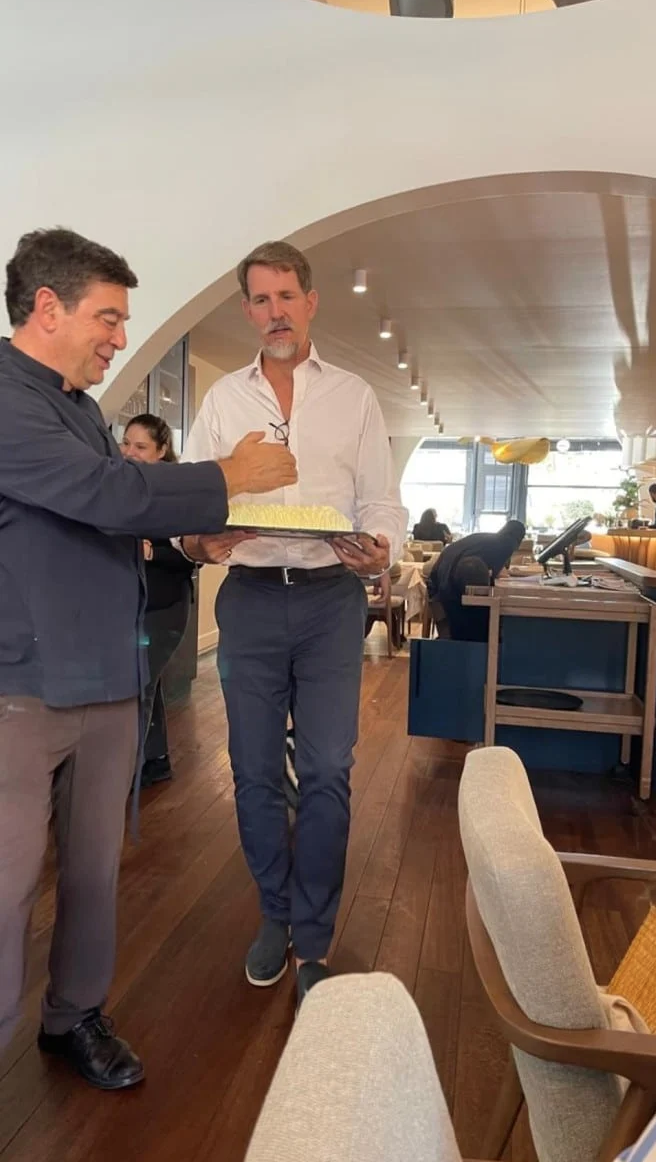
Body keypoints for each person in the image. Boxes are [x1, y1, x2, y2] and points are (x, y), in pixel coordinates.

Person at [0, 227, 297, 1089]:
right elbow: (105, 492)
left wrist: (197, 541)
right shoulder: (7, 399)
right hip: (21, 690)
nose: (120, 337)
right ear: (47, 308)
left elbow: (114, 518)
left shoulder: (82, 410)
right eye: (109, 317)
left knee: (94, 872)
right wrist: (227, 476)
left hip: (106, 682)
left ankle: (74, 1015)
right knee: (7, 886)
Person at [180, 240, 408, 1008]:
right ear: (247, 310)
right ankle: (274, 913)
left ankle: (312, 934)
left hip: (329, 600)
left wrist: (381, 547)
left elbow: (381, 500)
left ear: (310, 302)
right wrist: (198, 541)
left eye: (287, 296)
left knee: (327, 770)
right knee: (250, 771)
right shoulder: (223, 402)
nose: (275, 312)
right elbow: (193, 503)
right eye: (261, 299)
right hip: (247, 598)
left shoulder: (354, 395)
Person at [121, 414, 193, 787]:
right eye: (126, 443)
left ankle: (123, 776)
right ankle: (156, 759)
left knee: (138, 687)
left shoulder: (176, 496)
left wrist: (152, 552)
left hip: (165, 609)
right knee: (148, 683)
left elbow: (192, 556)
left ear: (162, 451)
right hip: (132, 606)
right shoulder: (123, 488)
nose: (129, 452)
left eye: (141, 446)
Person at [428, 519, 525, 641]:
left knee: (455, 630)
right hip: (450, 582)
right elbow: (492, 577)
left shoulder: (487, 538)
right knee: (480, 614)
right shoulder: (507, 543)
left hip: (438, 579)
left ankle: (453, 643)